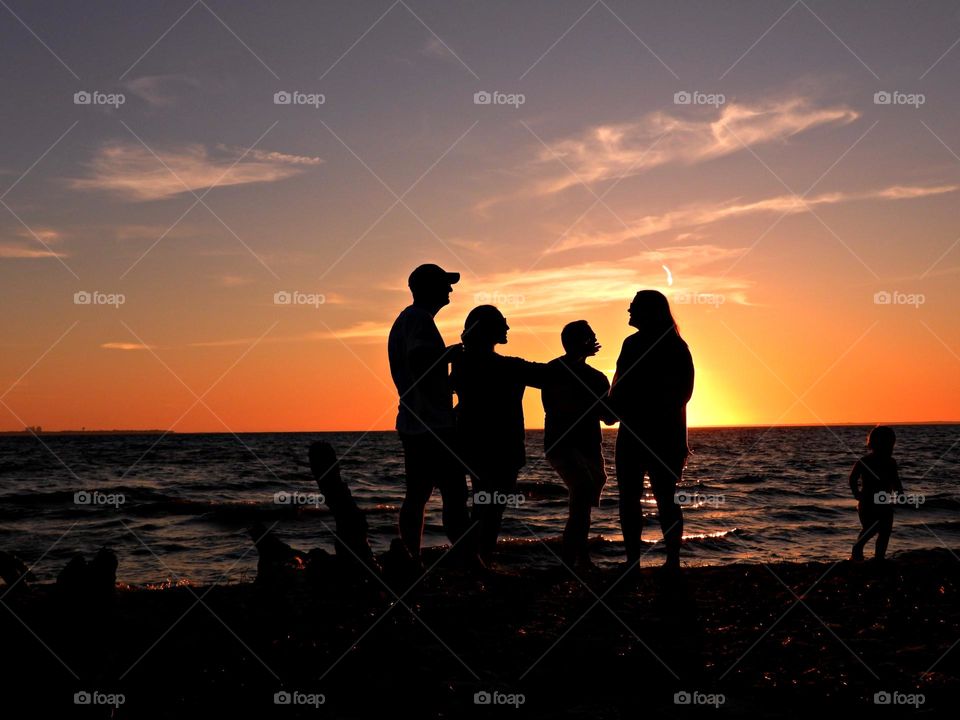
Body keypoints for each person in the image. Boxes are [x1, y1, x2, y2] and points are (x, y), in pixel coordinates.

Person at [451, 305, 549, 562]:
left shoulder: (460, 362)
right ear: (487, 329)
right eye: (502, 323)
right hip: (502, 448)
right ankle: (478, 558)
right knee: (492, 509)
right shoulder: (508, 366)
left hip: (470, 445)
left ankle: (474, 558)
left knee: (483, 505)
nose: (507, 328)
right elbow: (548, 375)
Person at [387, 264, 470, 563]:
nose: (450, 290)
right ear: (428, 288)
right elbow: (420, 361)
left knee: (418, 495)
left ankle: (413, 557)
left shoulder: (408, 320)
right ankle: (467, 560)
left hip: (415, 422)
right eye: (445, 285)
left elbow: (417, 371)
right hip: (431, 425)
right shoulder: (419, 319)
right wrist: (449, 355)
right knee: (454, 493)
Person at [609, 290, 694, 572]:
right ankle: (639, 560)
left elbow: (682, 393)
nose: (629, 312)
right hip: (639, 432)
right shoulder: (633, 343)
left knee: (661, 497)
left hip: (657, 433)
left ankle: (669, 560)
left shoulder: (674, 346)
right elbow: (618, 385)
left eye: (633, 307)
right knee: (636, 497)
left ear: (648, 311)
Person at [542, 321, 617, 568]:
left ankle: (580, 558)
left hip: (590, 445)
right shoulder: (554, 370)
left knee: (582, 505)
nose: (595, 340)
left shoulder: (598, 378)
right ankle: (570, 560)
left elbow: (608, 418)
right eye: (590, 337)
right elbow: (559, 407)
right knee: (582, 495)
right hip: (562, 445)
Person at [850, 425, 903, 561]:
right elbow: (852, 478)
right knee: (871, 528)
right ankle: (857, 550)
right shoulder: (865, 461)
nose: (889, 448)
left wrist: (900, 494)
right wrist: (856, 493)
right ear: (873, 444)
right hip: (867, 503)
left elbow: (895, 480)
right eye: (886, 445)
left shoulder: (891, 462)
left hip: (883, 502)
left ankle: (879, 557)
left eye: (891, 445)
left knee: (885, 531)